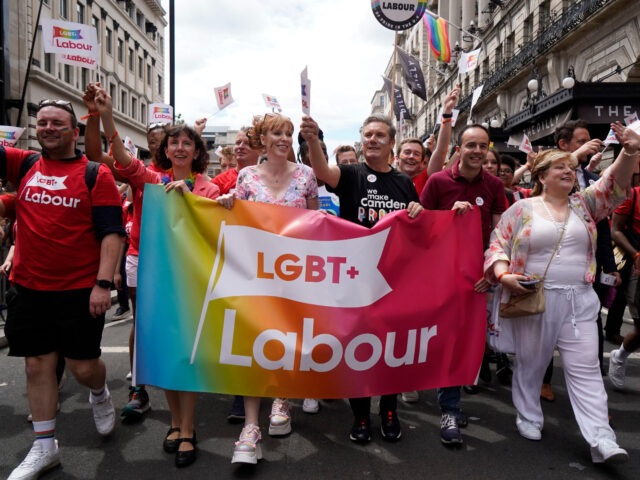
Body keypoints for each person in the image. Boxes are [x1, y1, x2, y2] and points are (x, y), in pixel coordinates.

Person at [484, 123, 639, 464]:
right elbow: (497, 245)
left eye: (571, 169)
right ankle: (528, 415)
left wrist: (629, 152)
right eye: (561, 168)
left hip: (580, 300)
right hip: (534, 297)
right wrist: (503, 274)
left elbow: (613, 184)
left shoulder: (584, 205)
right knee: (532, 363)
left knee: (584, 368)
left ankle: (601, 437)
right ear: (541, 176)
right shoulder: (521, 210)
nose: (569, 173)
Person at [93, 85, 220, 468]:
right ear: (165, 150)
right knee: (163, 353)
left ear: (197, 152)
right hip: (154, 279)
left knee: (186, 355)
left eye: (187, 143)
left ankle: (188, 427)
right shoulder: (149, 180)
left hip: (192, 281)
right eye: (173, 143)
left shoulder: (209, 187)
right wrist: (107, 116)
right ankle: (176, 424)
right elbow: (119, 160)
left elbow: (216, 228)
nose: (180, 148)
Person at [4, 99, 125, 480]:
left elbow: (112, 234)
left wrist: (103, 284)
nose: (48, 128)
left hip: (79, 290)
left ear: (74, 132)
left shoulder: (95, 174)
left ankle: (100, 392)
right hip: (28, 287)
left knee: (83, 367)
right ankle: (44, 448)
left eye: (58, 123)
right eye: (42, 123)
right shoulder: (23, 164)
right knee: (37, 364)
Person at [300, 113, 423, 444]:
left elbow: (416, 224)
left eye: (379, 135)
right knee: (359, 348)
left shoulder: (404, 182)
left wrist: (417, 211)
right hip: (356, 276)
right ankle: (360, 416)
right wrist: (313, 140)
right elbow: (323, 172)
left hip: (394, 278)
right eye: (367, 134)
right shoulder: (352, 174)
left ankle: (389, 410)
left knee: (391, 348)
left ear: (391, 142)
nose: (372, 139)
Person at [218, 113, 318, 464]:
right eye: (277, 133)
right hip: (255, 274)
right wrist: (228, 204)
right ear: (263, 139)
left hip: (294, 277)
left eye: (288, 134)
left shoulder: (306, 175)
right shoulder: (245, 176)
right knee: (252, 345)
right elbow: (235, 217)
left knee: (287, 341)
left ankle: (282, 400)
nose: (284, 139)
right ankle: (250, 428)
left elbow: (316, 225)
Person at [420, 124, 507, 444]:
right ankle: (449, 408)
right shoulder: (438, 182)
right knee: (450, 341)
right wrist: (450, 218)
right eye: (470, 145)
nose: (477, 151)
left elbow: (500, 236)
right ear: (459, 148)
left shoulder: (495, 185)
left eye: (482, 146)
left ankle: (452, 404)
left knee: (470, 342)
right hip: (443, 277)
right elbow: (421, 228)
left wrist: (492, 271)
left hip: (480, 280)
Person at [83, 83, 158, 418]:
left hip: (181, 262)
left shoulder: (203, 182)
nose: (160, 146)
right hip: (141, 258)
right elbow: (95, 156)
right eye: (154, 142)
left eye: (166, 141)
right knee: (140, 323)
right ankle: (137, 389)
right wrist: (99, 116)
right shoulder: (141, 174)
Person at [609, 182, 640, 390]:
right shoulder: (633, 195)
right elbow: (615, 230)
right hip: (637, 268)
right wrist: (636, 254)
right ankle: (619, 356)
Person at [211, 128, 262, 194]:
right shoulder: (218, 182)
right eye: (238, 143)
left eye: (247, 143)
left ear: (260, 150)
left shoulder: (270, 180)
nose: (240, 146)